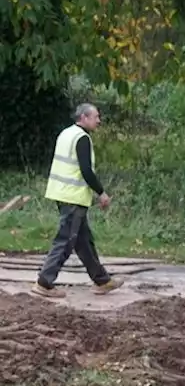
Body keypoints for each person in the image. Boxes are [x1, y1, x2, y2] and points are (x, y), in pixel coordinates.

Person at [31, 103, 123, 299]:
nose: (98, 120)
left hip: (62, 193)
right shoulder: (82, 138)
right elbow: (86, 170)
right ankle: (44, 282)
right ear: (84, 118)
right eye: (95, 117)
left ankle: (102, 281)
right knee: (65, 240)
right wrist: (102, 193)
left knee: (83, 242)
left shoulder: (66, 133)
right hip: (73, 196)